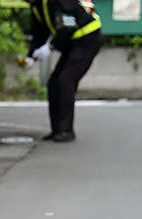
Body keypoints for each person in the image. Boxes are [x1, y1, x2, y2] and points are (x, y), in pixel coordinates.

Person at [21, 0, 104, 142]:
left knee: (66, 79)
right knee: (54, 83)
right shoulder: (38, 7)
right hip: (73, 42)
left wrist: (51, 47)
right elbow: (40, 33)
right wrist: (30, 58)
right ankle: (57, 130)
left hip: (88, 39)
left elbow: (69, 25)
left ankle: (66, 130)